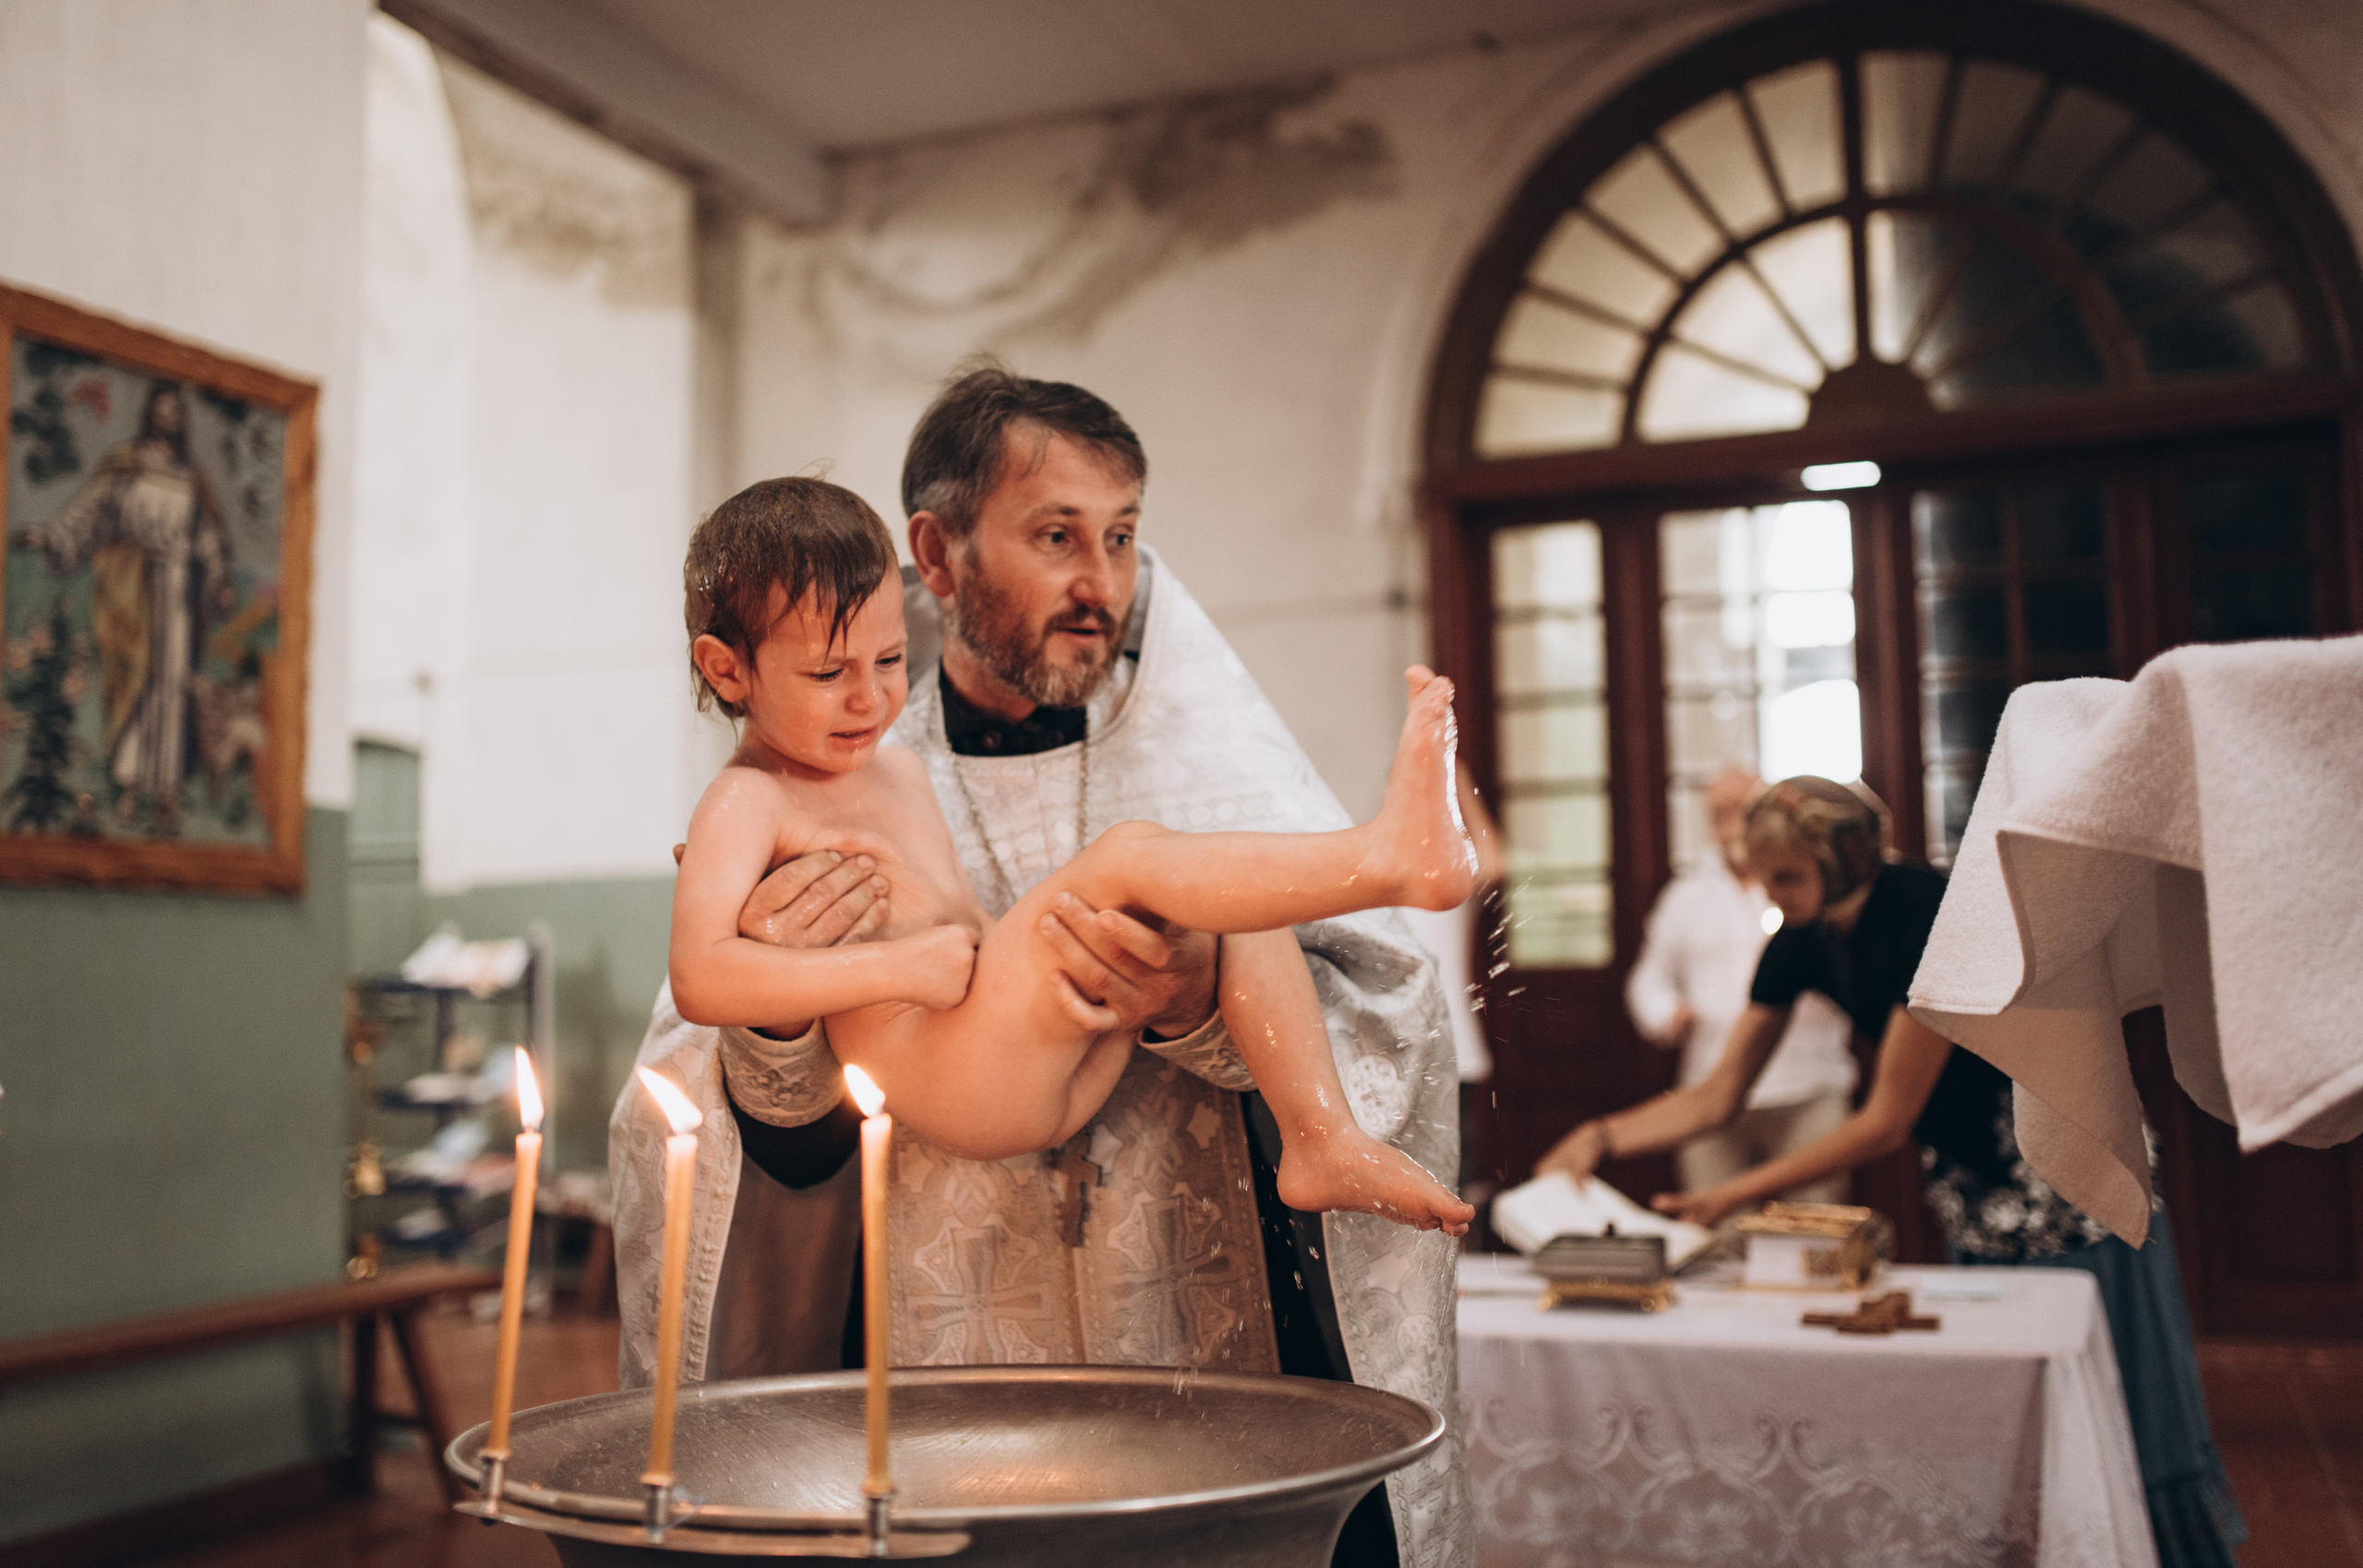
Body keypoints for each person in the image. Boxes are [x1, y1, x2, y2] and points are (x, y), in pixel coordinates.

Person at [614, 365, 1472, 1568]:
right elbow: (716, 1085)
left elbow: (1392, 1012)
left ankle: (1386, 881)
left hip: (1193, 1332)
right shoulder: (820, 763)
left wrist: (1189, 1002)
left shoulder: (1211, 764)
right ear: (940, 551)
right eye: (1056, 536)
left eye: (1122, 537)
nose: (1102, 584)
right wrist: (789, 1015)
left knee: (1183, 873)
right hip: (941, 1337)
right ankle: (1392, 856)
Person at [667, 474, 1476, 1230]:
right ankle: (1383, 860)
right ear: (727, 668)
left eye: (886, 661)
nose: (870, 697)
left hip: (1025, 1047)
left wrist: (1030, 954)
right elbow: (702, 977)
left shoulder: (897, 765)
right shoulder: (749, 798)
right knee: (1127, 855)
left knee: (1208, 893)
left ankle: (1321, 1137)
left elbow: (965, 922)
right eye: (825, 671)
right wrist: (896, 972)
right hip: (957, 1077)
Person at [1539, 776, 2245, 1568]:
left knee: (2123, 1391)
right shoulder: (1802, 938)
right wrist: (1598, 1137)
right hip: (1972, 1173)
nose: (1771, 894)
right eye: (1765, 874)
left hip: (2061, 1159)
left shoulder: (1924, 913)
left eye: (1788, 876)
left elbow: (1886, 1119)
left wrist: (1730, 1196)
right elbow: (1717, 1095)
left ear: (1847, 859)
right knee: (2014, 1395)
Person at [1611, 767, 1855, 1204]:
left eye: (1742, 812)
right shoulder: (1686, 896)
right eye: (1719, 815)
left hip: (1807, 1083)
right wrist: (1667, 1013)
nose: (1731, 827)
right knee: (1715, 1231)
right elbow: (1648, 978)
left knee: (1811, 1229)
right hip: (1709, 1086)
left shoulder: (1810, 882)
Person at [14, 381, 229, 827]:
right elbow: (93, 510)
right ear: (150, 412)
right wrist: (51, 535)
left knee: (171, 689)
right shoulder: (127, 466)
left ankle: (166, 793)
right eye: (163, 410)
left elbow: (205, 536)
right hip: (133, 591)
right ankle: (131, 785)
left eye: (176, 413)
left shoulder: (190, 480)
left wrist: (217, 579)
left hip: (178, 600)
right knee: (136, 681)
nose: (169, 418)